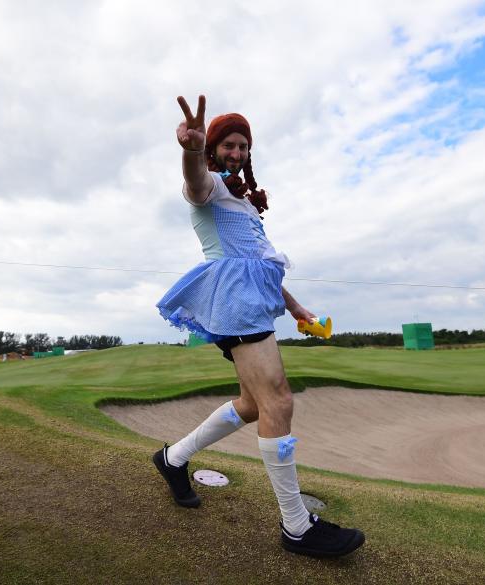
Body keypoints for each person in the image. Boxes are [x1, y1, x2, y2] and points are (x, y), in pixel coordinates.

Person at [152, 95, 365, 558]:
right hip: (234, 301)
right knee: (278, 400)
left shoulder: (246, 205)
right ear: (213, 150)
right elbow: (192, 182)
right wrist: (190, 150)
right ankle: (296, 526)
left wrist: (296, 308)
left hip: (252, 301)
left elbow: (262, 264)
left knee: (253, 404)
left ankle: (172, 459)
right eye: (227, 144)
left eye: (243, 146)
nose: (236, 152)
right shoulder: (207, 188)